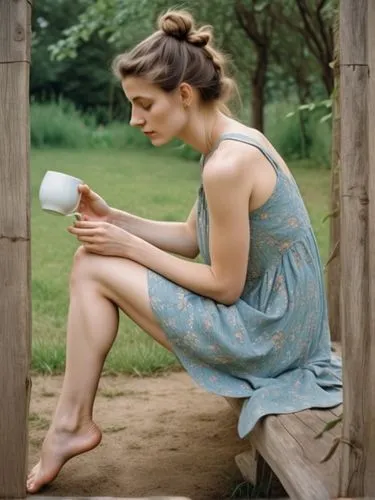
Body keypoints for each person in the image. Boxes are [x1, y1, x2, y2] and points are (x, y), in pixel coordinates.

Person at [27, 9, 342, 494]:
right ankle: (70, 423)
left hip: (272, 338)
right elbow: (193, 237)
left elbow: (224, 284)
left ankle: (71, 424)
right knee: (94, 260)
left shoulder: (228, 164)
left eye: (144, 104)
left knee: (92, 267)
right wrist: (115, 219)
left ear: (185, 95)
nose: (135, 119)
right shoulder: (228, 145)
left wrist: (127, 246)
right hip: (280, 327)